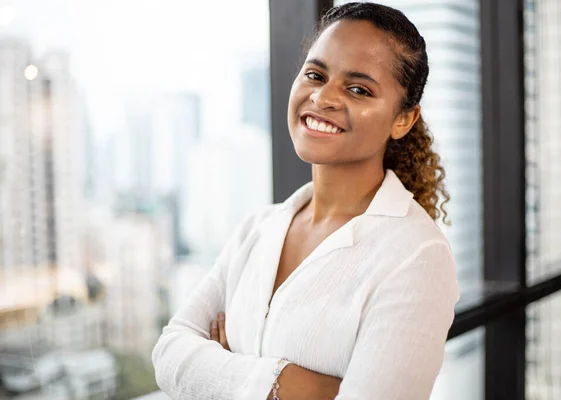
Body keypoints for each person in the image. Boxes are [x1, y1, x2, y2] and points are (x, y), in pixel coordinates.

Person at [152, 2, 459, 399]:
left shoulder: (417, 256)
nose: (323, 97)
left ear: (404, 119)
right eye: (315, 74)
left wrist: (223, 367)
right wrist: (290, 385)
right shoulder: (258, 228)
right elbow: (169, 354)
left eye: (358, 88)